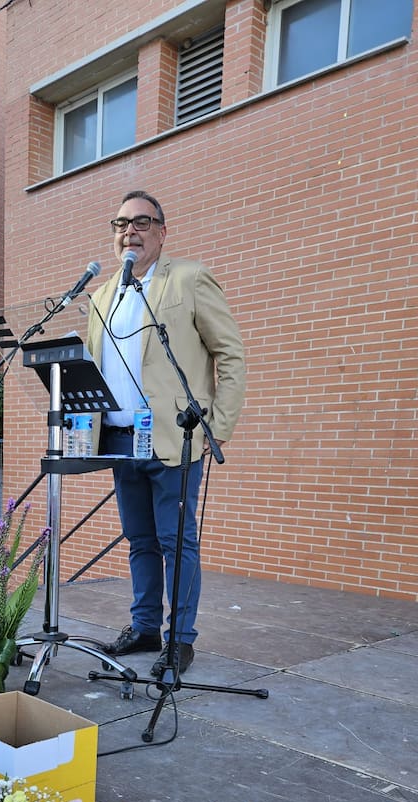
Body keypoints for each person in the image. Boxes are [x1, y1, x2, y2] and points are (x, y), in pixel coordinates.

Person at [87, 190, 246, 679]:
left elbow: (231, 354)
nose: (128, 232)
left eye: (140, 222)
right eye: (120, 224)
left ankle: (180, 641)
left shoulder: (189, 279)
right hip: (119, 436)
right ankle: (145, 627)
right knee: (139, 540)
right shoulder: (100, 296)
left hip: (175, 436)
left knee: (176, 541)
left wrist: (214, 428)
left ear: (161, 231)